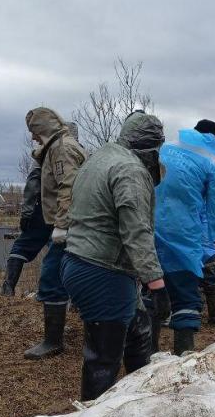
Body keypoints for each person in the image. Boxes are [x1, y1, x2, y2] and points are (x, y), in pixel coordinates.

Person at [62, 110, 170, 401]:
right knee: (103, 358)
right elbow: (136, 231)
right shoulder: (131, 171)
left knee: (139, 332)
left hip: (79, 261)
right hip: (102, 270)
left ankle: (139, 400)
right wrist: (156, 282)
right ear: (151, 147)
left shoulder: (101, 157)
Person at [155, 119, 215, 354]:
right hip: (182, 230)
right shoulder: (213, 162)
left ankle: (143, 357)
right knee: (186, 295)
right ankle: (183, 357)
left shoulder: (165, 148)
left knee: (151, 287)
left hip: (144, 226)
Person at [22, 107, 86, 359]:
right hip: (78, 225)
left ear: (42, 129)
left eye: (34, 132)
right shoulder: (61, 146)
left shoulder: (61, 150)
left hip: (71, 227)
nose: (33, 138)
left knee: (51, 277)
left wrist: (62, 225)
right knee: (74, 276)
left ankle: (53, 341)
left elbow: (67, 188)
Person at [0, 163, 52, 296]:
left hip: (44, 210)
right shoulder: (78, 152)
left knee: (21, 246)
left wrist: (27, 213)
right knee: (60, 253)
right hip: (68, 211)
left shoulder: (47, 153)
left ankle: (8, 288)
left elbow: (33, 184)